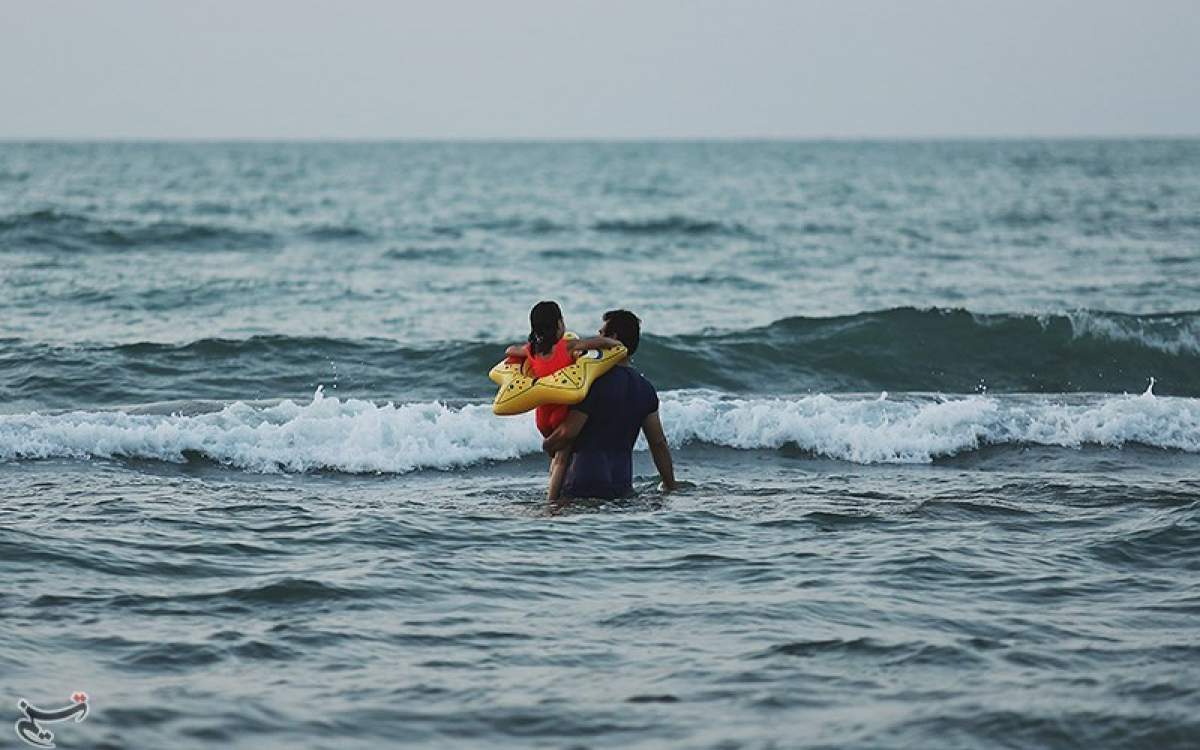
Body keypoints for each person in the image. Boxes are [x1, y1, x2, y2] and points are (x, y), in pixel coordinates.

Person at [541, 309, 676, 505]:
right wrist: (670, 486)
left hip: (582, 485)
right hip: (621, 488)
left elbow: (568, 433)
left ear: (613, 339)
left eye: (602, 333)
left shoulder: (593, 383)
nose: (598, 336)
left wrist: (547, 444)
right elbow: (658, 444)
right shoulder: (645, 388)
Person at [504, 300, 623, 503]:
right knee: (562, 458)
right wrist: (615, 344)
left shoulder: (532, 351)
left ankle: (554, 485)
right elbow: (595, 343)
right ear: (559, 324)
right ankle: (552, 501)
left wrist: (518, 354)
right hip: (561, 414)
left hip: (542, 417)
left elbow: (510, 350)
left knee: (556, 457)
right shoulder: (566, 347)